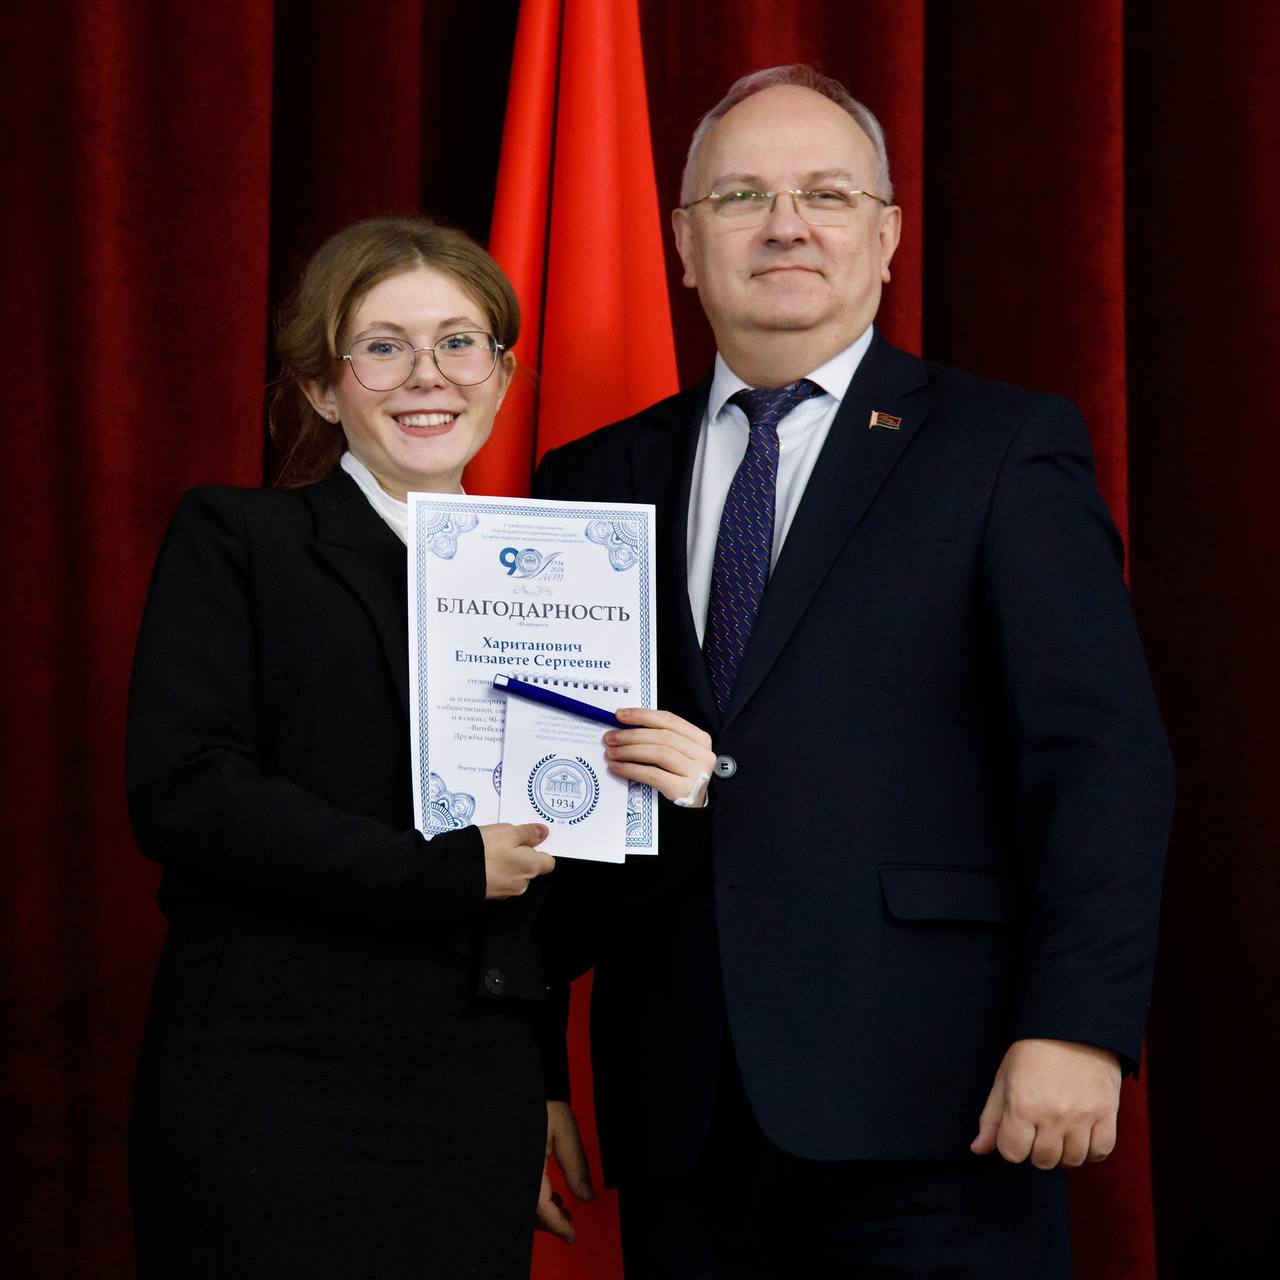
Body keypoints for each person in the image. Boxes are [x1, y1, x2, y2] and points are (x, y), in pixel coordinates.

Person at [534, 66, 1174, 1277]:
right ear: (682, 244)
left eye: (826, 194)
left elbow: (1098, 760)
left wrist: (1077, 1024)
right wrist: (518, 1059)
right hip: (683, 1110)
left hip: (940, 1098)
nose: (785, 225)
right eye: (740, 196)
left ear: (884, 237)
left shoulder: (1001, 447)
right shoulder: (587, 477)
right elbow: (533, 794)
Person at [126, 214, 714, 1279]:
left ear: (502, 374)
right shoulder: (241, 541)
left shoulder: (579, 578)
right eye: (383, 346)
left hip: (469, 1089)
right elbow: (186, 794)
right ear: (322, 387)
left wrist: (669, 807)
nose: (426, 375)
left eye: (458, 342)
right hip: (268, 1078)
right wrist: (439, 869)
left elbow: (559, 907)